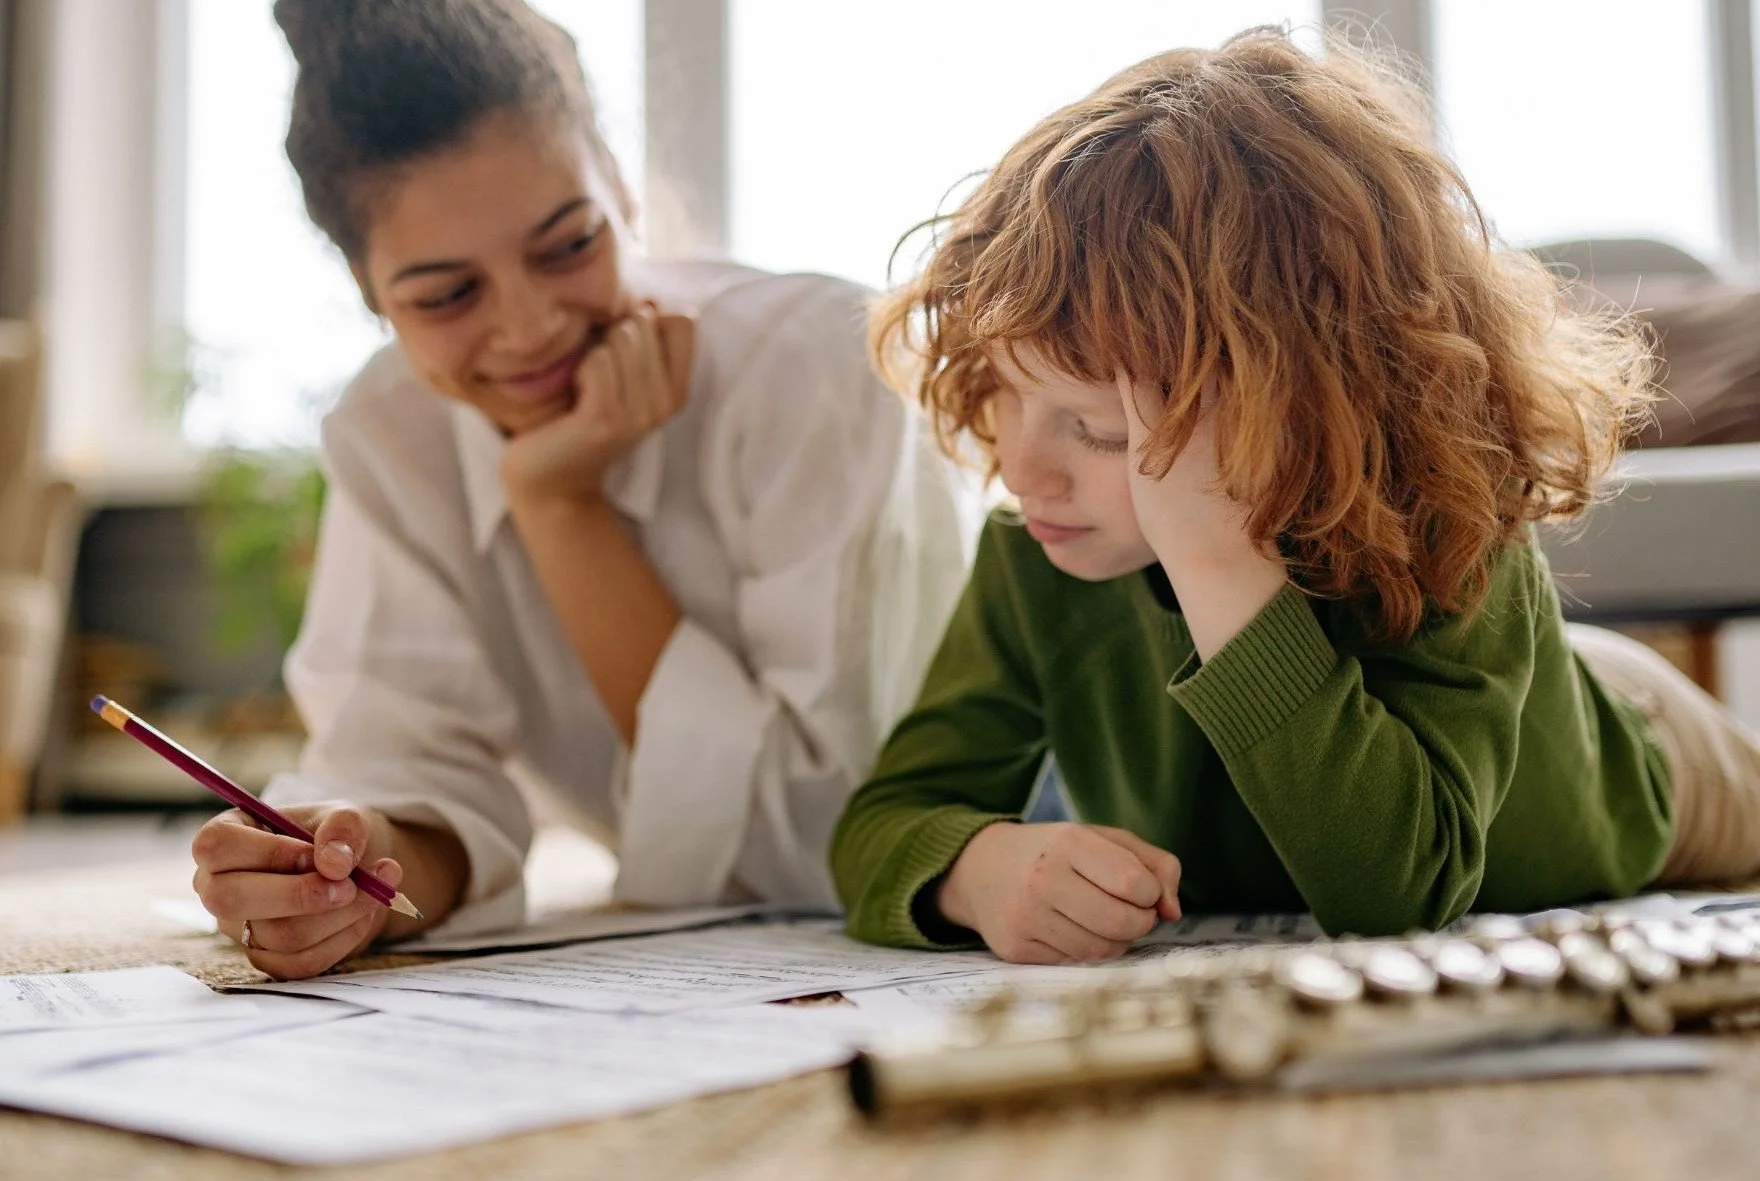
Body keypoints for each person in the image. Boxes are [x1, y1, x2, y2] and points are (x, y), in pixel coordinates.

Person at [831, 28, 1760, 963]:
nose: (1022, 471)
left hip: (1642, 752)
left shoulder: (1456, 529)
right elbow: (885, 822)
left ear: (1299, 405)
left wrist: (1214, 560)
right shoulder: (1034, 552)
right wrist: (978, 868)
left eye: (1099, 429)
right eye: (1004, 393)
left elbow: (1398, 891)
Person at [191, 0, 972, 980]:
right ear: (363, 285)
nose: (529, 329)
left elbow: (833, 839)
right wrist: (349, 872)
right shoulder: (390, 430)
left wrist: (559, 505)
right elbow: (416, 769)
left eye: (568, 245)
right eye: (445, 295)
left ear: (621, 189)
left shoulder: (811, 368)